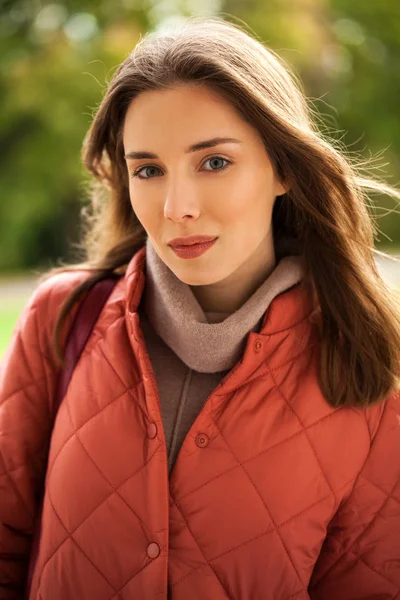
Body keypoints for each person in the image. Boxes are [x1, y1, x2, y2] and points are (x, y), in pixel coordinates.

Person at [1, 15, 400, 600]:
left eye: (214, 162)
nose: (177, 206)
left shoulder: (367, 365)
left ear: (284, 167)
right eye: (149, 170)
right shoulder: (61, 322)